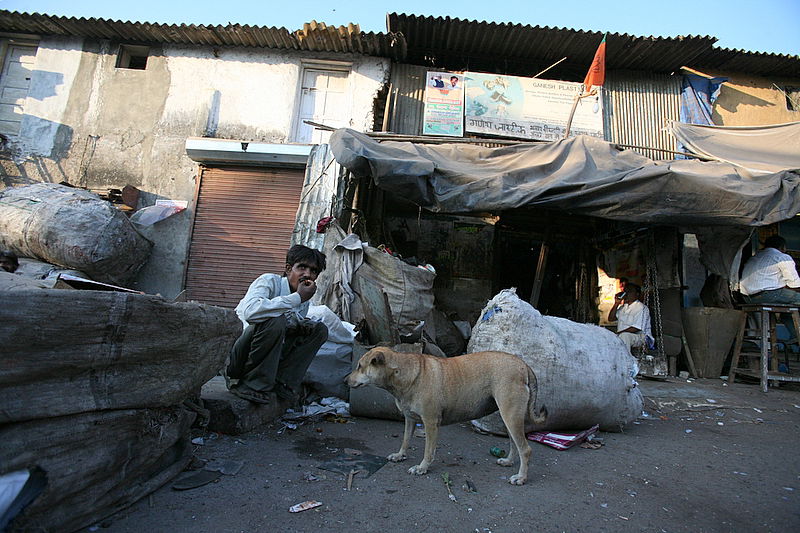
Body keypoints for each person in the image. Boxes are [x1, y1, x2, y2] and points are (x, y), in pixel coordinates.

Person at [226, 245, 328, 405]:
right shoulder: (269, 281)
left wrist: (299, 324)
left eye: (313, 271)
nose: (307, 274)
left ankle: (283, 383)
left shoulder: (303, 301)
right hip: (237, 358)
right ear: (288, 269)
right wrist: (296, 298)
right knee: (275, 319)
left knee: (318, 330)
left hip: (268, 358)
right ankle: (250, 385)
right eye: (302, 267)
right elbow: (250, 312)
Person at [739, 234, 800, 336]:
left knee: (788, 310)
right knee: (797, 299)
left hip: (747, 298)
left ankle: (795, 338)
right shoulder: (782, 257)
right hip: (767, 295)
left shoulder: (755, 257)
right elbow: (795, 284)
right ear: (782, 247)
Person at [608, 283, 653, 353]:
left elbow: (636, 328)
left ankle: (625, 358)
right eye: (625, 291)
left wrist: (617, 334)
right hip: (624, 335)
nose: (626, 294)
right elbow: (611, 319)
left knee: (624, 336)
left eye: (629, 291)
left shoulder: (641, 308)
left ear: (637, 294)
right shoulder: (623, 307)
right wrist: (616, 303)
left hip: (641, 337)